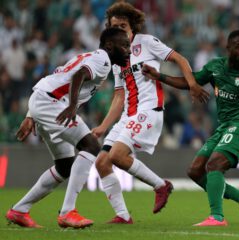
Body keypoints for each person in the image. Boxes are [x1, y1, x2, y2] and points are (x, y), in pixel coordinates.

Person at [92, 2, 209, 224]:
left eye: (123, 25)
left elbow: (179, 59)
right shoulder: (116, 57)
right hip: (128, 115)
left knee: (116, 156)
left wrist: (192, 84)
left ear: (132, 25)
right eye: (114, 26)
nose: (120, 29)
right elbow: (119, 97)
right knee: (102, 162)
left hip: (149, 110)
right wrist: (103, 126)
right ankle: (123, 215)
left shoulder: (146, 42)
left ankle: (160, 185)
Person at [5, 27, 131, 229]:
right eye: (124, 45)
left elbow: (58, 77)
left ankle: (19, 210)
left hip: (44, 100)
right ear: (109, 45)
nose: (128, 50)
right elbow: (78, 75)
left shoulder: (91, 56)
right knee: (91, 146)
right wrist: (72, 106)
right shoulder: (103, 60)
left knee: (64, 167)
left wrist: (31, 114)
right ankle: (67, 212)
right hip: (53, 104)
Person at [142, 30, 239, 226]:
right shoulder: (215, 67)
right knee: (195, 171)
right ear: (229, 48)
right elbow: (190, 81)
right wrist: (159, 76)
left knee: (214, 165)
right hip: (223, 127)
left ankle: (217, 217)